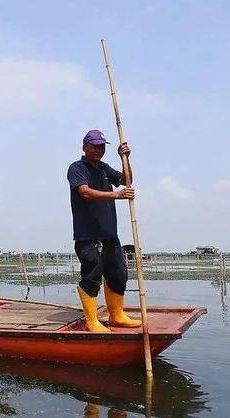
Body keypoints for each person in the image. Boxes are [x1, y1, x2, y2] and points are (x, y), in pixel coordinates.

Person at [67, 130, 141, 332]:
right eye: (95, 146)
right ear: (85, 147)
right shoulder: (77, 168)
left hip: (109, 233)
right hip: (87, 234)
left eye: (102, 146)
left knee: (118, 273)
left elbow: (127, 181)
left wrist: (124, 158)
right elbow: (85, 193)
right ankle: (92, 321)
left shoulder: (104, 168)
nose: (99, 150)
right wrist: (116, 195)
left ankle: (117, 316)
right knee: (92, 273)